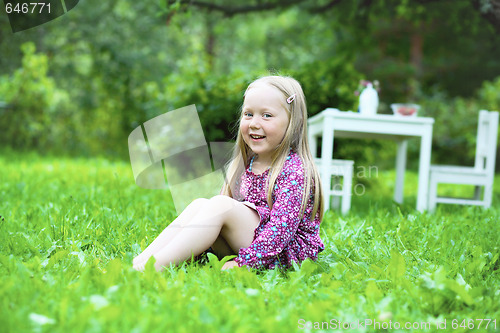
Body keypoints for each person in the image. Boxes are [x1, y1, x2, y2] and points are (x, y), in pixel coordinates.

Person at [133, 75, 324, 271]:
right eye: (248, 114)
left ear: (293, 122)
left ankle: (154, 267)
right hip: (253, 241)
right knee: (200, 204)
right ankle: (143, 261)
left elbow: (279, 234)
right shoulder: (248, 162)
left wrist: (242, 264)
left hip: (284, 255)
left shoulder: (295, 170)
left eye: (266, 115)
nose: (254, 123)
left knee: (220, 205)